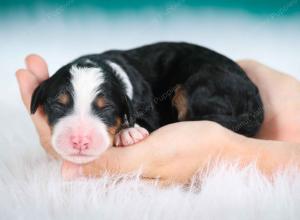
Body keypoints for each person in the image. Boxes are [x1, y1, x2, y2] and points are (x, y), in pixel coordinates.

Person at [16, 55, 300, 184]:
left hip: (214, 81)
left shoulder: (134, 100)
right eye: (59, 108)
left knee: (194, 95)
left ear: (124, 111)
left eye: (103, 111)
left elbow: (145, 117)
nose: (78, 136)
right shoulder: (105, 85)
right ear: (39, 101)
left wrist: (227, 150)